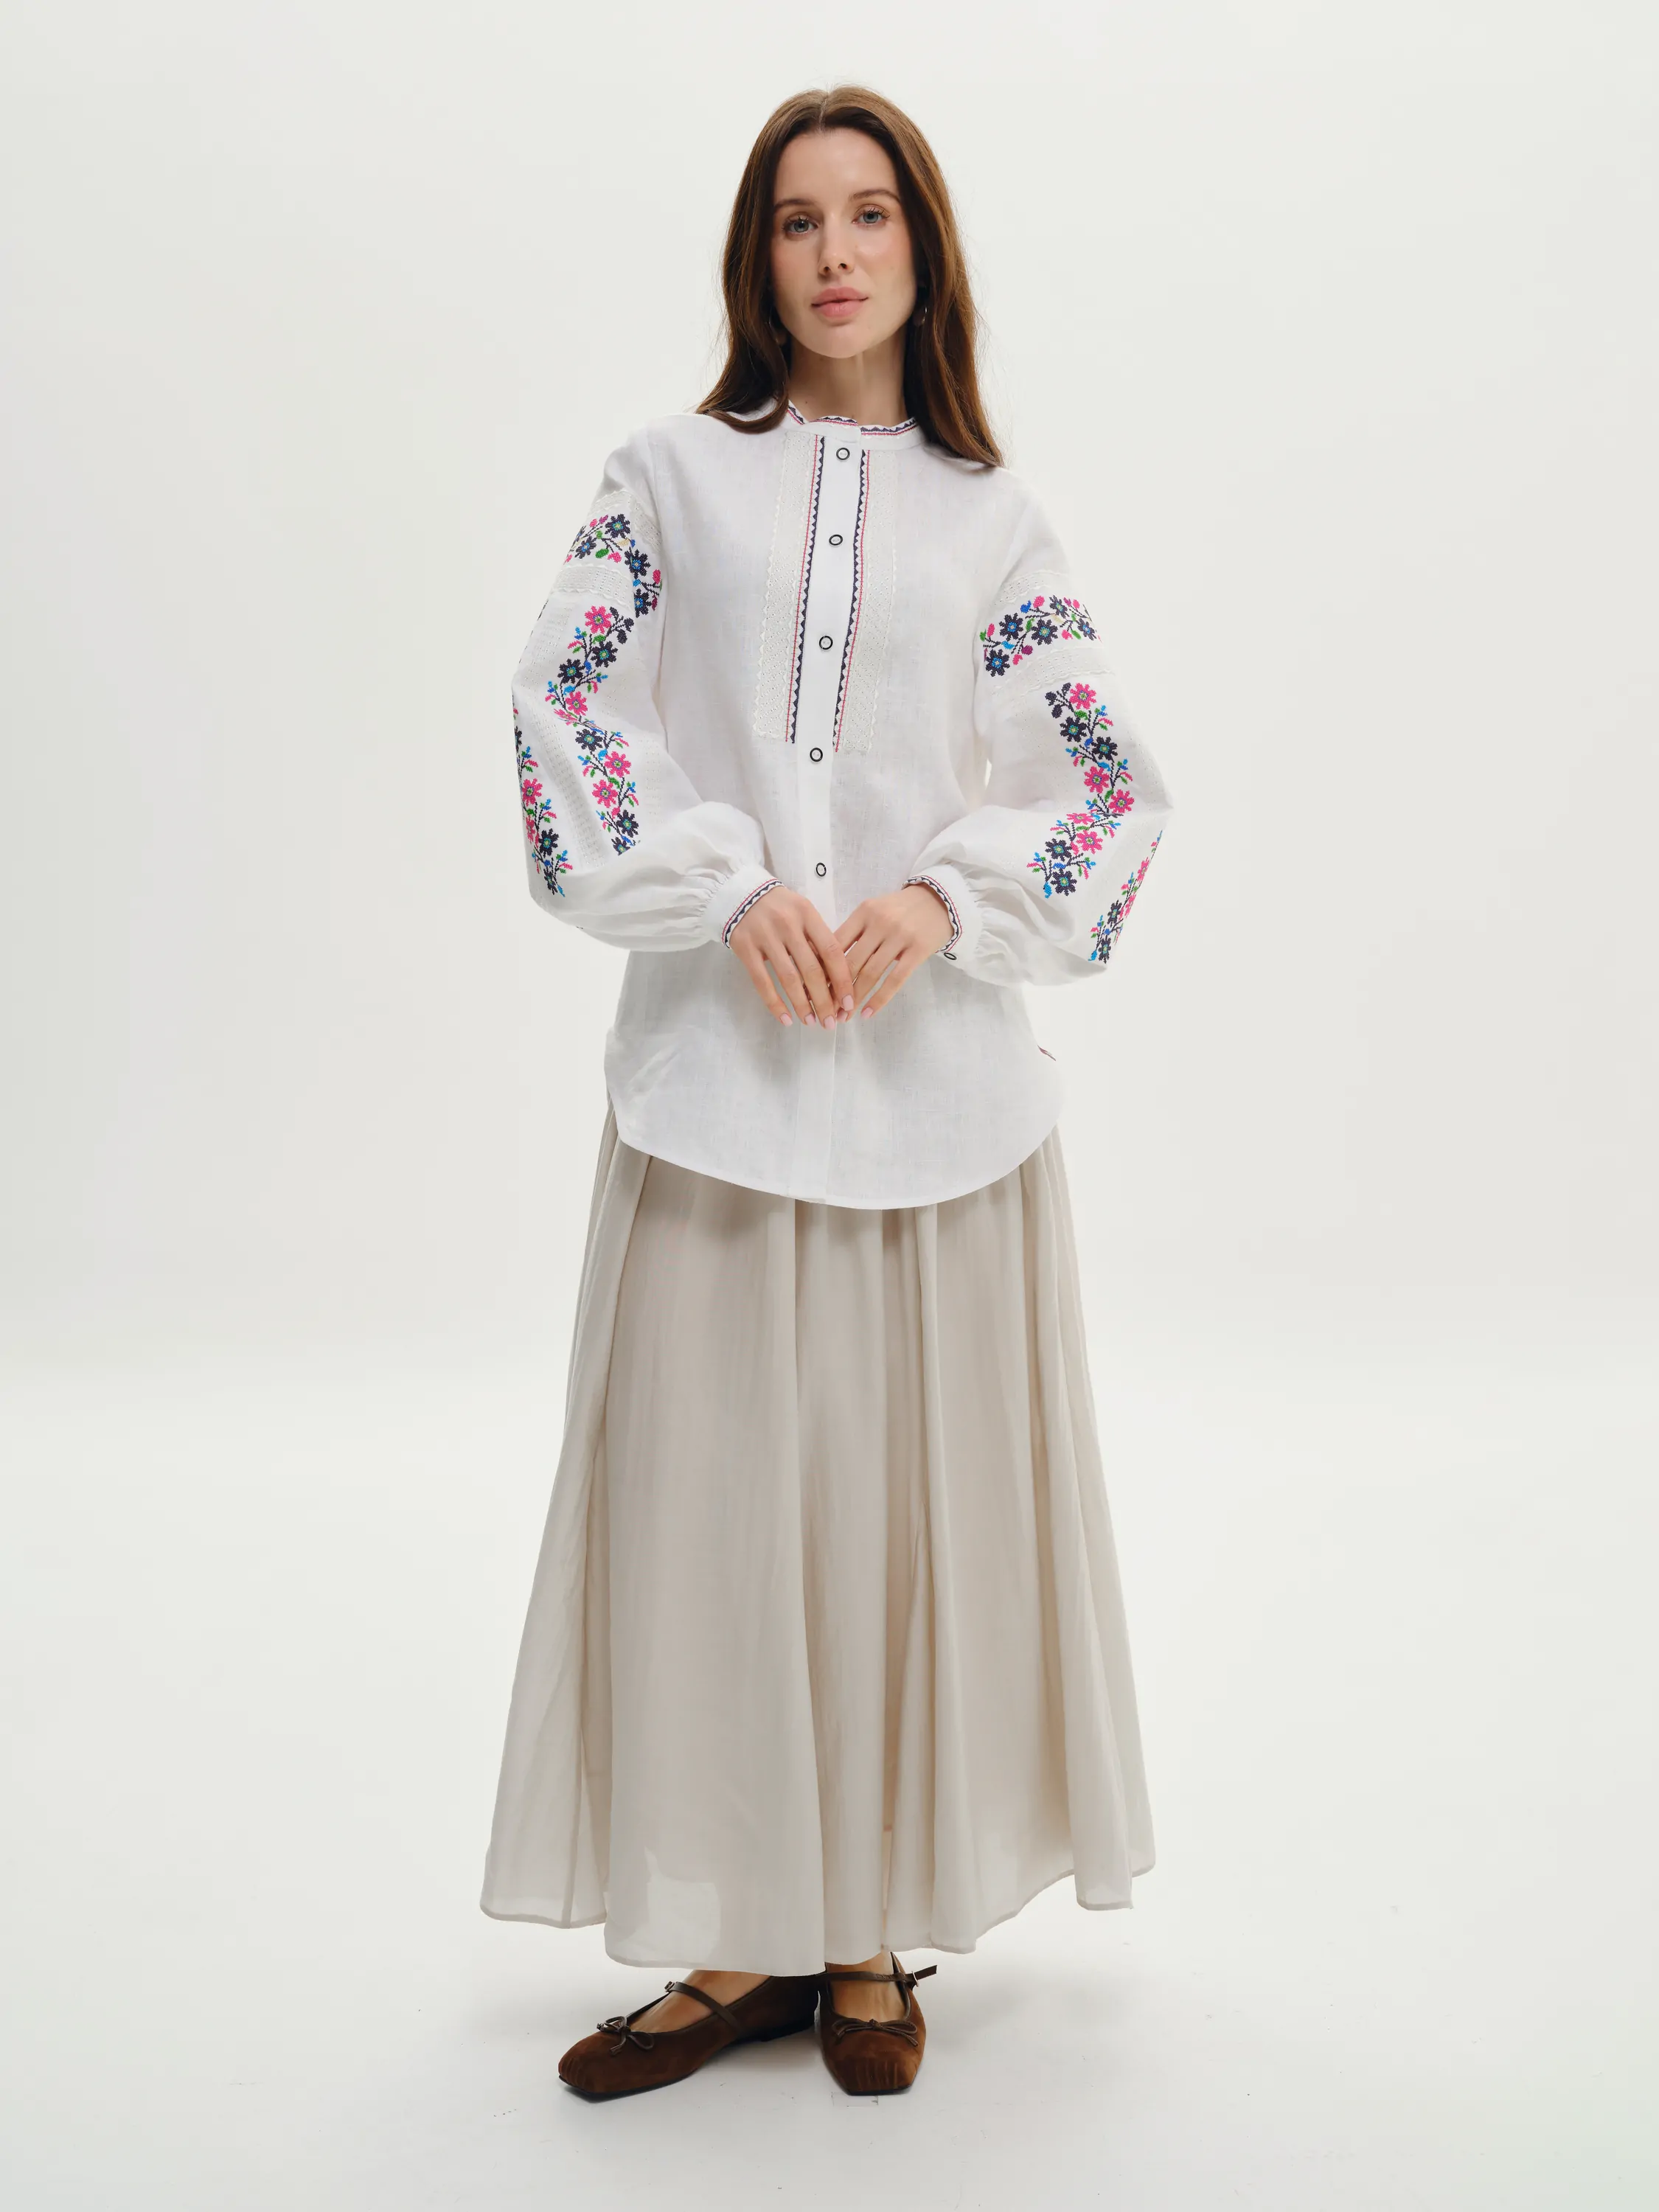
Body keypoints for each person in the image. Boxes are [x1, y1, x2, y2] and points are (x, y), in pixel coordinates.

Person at [480, 83, 1174, 2100]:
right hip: (716, 1091)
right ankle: (727, 1944)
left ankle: (865, 1930)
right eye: (799, 220)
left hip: (940, 1119)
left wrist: (949, 904)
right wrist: (727, 889)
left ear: (924, 251)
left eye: (871, 214)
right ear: (755, 256)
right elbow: (560, 708)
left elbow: (1103, 779)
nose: (837, 252)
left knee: (889, 1531)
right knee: (710, 1520)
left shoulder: (992, 519)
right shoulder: (666, 480)